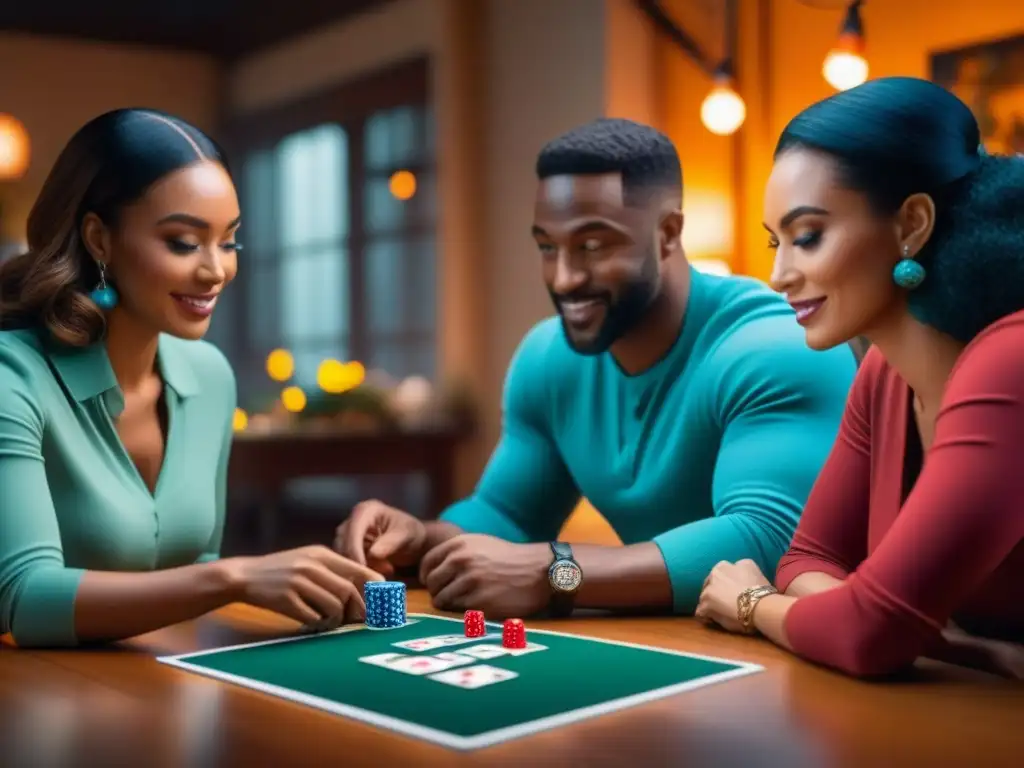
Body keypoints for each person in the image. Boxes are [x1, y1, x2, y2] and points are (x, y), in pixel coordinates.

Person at [336, 118, 857, 620]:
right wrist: (420, 540)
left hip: (825, 659)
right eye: (547, 247)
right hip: (686, 652)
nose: (563, 278)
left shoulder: (775, 344)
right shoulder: (547, 359)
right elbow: (510, 515)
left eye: (590, 246)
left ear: (669, 232)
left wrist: (556, 571)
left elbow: (767, 540)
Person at [0, 109, 380, 649]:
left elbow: (190, 569)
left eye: (229, 242)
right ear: (99, 240)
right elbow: (25, 599)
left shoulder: (210, 377)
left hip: (163, 690)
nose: (216, 270)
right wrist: (235, 578)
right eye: (183, 242)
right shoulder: (12, 375)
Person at [697, 77, 1024, 680]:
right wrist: (951, 646)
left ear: (912, 224)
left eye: (808, 238)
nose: (779, 275)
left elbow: (871, 631)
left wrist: (752, 604)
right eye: (776, 243)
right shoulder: (882, 374)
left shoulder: (1010, 363)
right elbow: (808, 558)